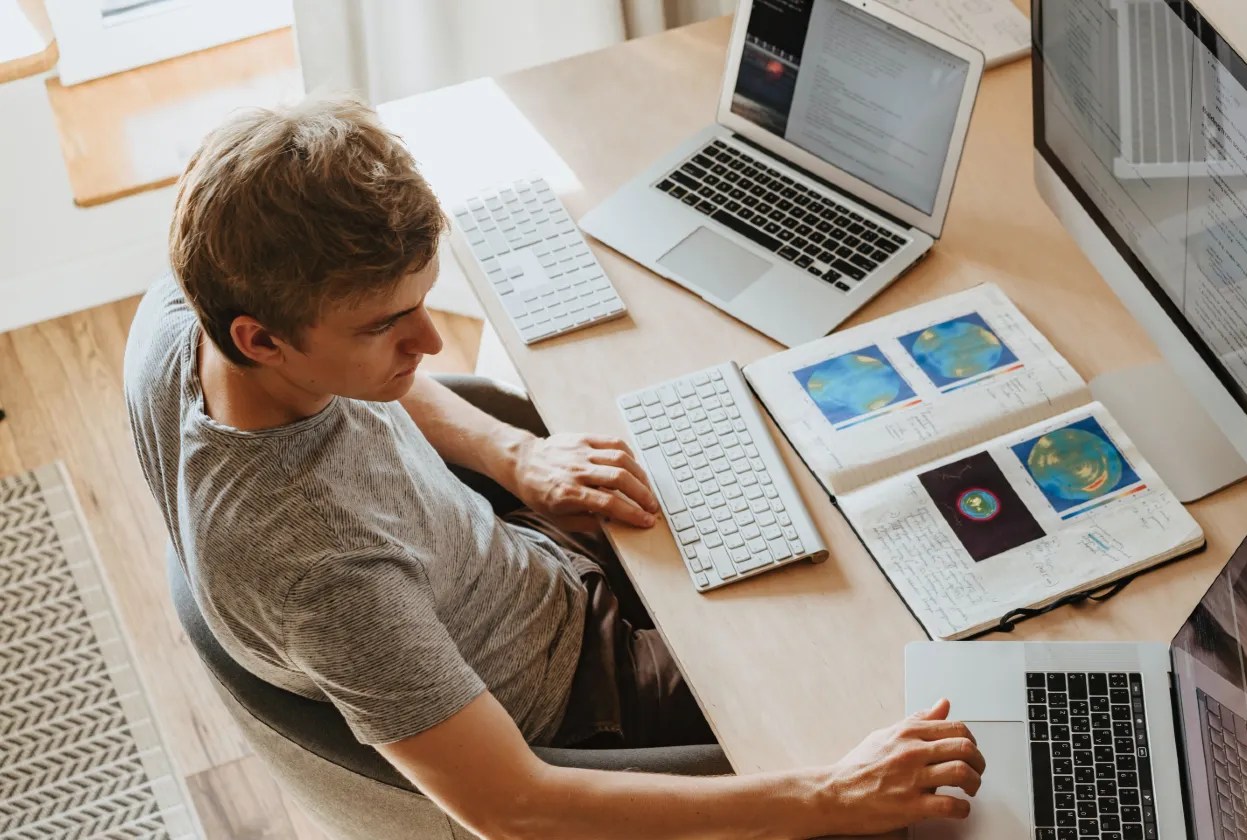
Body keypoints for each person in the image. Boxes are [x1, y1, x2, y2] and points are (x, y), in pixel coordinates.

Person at [123, 95, 983, 838]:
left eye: (421, 304)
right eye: (387, 327)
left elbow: (368, 382)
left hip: (521, 567)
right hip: (580, 703)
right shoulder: (325, 576)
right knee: (917, 719)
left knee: (818, 510)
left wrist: (518, 455)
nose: (426, 344)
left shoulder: (184, 314)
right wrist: (829, 795)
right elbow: (517, 811)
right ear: (260, 338)